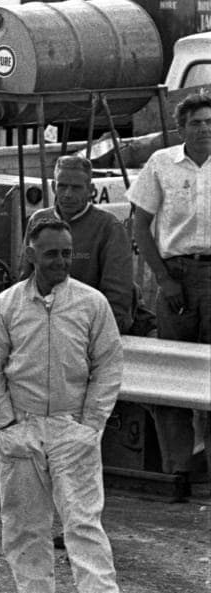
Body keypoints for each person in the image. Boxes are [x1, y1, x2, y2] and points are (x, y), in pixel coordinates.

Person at [0, 218, 124, 593]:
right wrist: (4, 420)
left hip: (70, 426)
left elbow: (108, 365)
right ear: (30, 253)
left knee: (82, 519)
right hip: (21, 426)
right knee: (24, 522)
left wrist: (91, 423)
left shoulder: (91, 304)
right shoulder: (7, 305)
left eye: (66, 253)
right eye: (51, 253)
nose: (60, 261)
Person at [126, 92, 211, 500]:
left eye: (210, 122)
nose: (205, 129)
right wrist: (163, 278)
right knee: (172, 374)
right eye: (196, 122)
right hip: (175, 275)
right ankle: (176, 471)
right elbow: (140, 227)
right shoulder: (161, 163)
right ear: (182, 128)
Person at [23, 155, 135, 334]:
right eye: (62, 186)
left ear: (90, 190)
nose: (68, 194)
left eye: (76, 188)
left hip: (88, 327)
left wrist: (98, 333)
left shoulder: (109, 227)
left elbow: (118, 294)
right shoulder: (38, 220)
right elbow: (25, 281)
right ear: (53, 187)